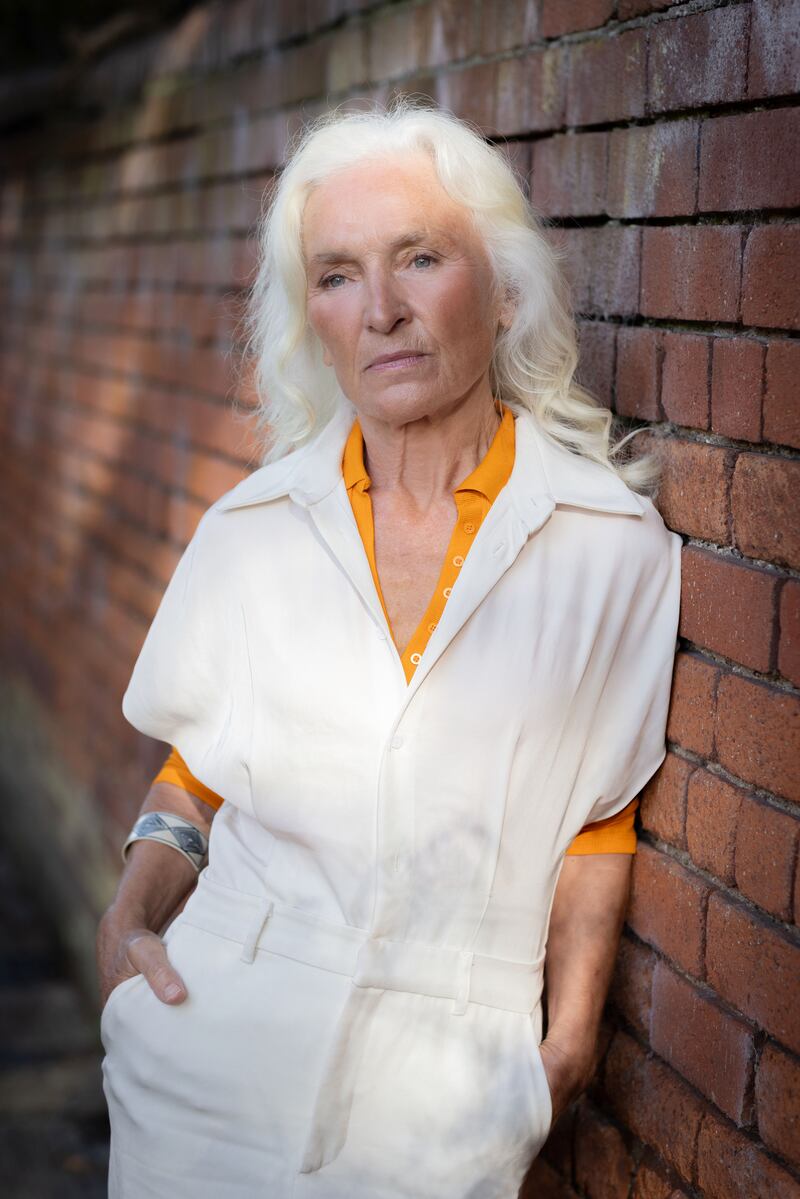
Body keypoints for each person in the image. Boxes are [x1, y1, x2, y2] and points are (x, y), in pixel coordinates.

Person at [96, 97, 682, 1199]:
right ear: (308, 314)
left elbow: (597, 818)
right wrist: (128, 921)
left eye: (418, 258)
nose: (379, 310)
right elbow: (195, 774)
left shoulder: (611, 546)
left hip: (448, 1094)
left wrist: (563, 1047)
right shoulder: (251, 530)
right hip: (208, 1042)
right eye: (335, 275)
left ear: (502, 289)